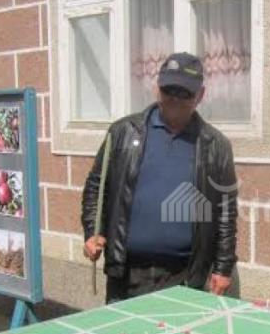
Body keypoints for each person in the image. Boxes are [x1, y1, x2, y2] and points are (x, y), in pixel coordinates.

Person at [81, 52, 238, 302]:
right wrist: (93, 231)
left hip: (185, 279)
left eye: (184, 92)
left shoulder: (216, 145)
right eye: (168, 89)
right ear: (157, 89)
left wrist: (223, 267)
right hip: (126, 276)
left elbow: (226, 211)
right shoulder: (122, 133)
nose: (174, 98)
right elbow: (96, 187)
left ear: (200, 95)